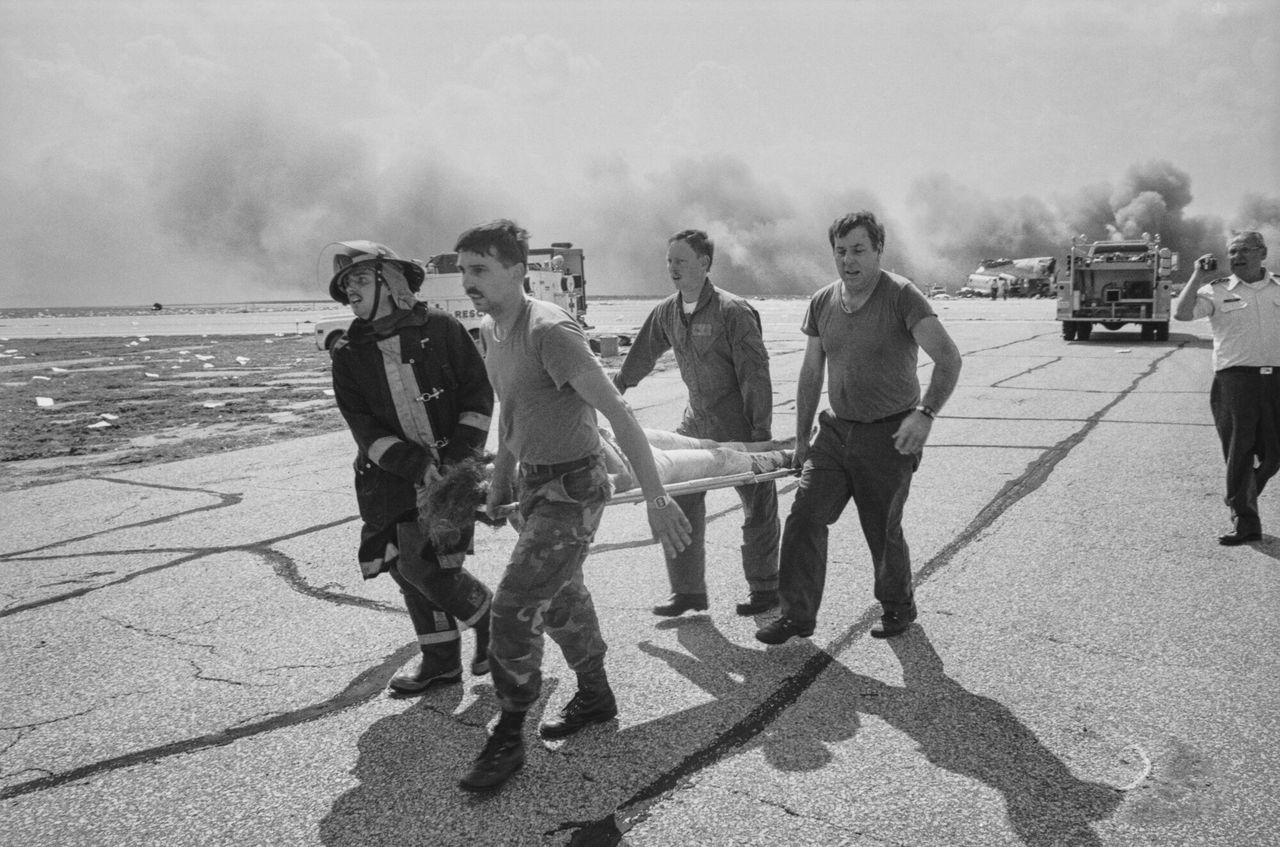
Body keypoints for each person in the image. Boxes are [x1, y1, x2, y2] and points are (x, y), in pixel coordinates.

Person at [453, 220, 692, 792]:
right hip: (534, 484)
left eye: (479, 270)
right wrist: (501, 484)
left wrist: (657, 496)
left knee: (515, 606)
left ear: (517, 271)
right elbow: (511, 412)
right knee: (562, 597)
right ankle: (596, 694)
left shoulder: (550, 331)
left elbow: (618, 413)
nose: (468, 282)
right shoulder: (491, 329)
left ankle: (509, 733)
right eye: (463, 271)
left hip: (575, 487)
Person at [755, 211, 962, 645]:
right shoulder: (822, 302)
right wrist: (801, 438)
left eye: (858, 250)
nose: (848, 260)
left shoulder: (902, 297)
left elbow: (948, 359)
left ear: (878, 250)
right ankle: (796, 616)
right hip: (834, 432)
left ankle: (898, 604)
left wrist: (924, 414)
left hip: (890, 434)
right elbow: (811, 372)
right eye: (841, 251)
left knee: (881, 528)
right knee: (805, 516)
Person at [325, 241, 496, 694]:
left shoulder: (441, 328)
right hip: (392, 481)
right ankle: (441, 662)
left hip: (452, 475)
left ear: (391, 281)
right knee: (405, 569)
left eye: (361, 279)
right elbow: (364, 429)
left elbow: (478, 397)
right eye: (347, 284)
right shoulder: (348, 353)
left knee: (429, 567)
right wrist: (416, 466)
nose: (351, 290)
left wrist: (455, 463)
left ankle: (493, 622)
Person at [612, 229, 781, 618]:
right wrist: (613, 391)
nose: (672, 268)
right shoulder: (667, 312)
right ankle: (688, 592)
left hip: (740, 426)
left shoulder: (732, 311)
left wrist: (760, 434)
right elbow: (642, 355)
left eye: (681, 261)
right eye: (669, 260)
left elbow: (755, 375)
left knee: (758, 505)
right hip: (696, 424)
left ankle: (766, 588)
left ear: (704, 264)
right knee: (682, 497)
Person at [1173, 230, 1280, 545]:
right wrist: (1197, 275)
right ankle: (1246, 521)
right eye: (1232, 251)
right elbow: (1181, 313)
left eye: (1244, 250)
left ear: (1262, 253)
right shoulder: (1216, 290)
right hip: (1235, 381)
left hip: (1276, 378)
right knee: (1240, 450)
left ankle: (1239, 493)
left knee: (1274, 454)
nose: (1237, 256)